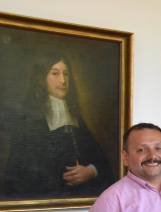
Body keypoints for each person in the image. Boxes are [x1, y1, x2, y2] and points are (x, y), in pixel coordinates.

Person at [5, 50, 113, 198]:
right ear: (41, 78)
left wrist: (91, 171)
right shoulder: (27, 119)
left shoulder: (76, 118)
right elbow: (18, 175)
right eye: (55, 73)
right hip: (45, 203)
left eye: (66, 74)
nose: (63, 80)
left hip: (81, 200)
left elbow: (101, 160)